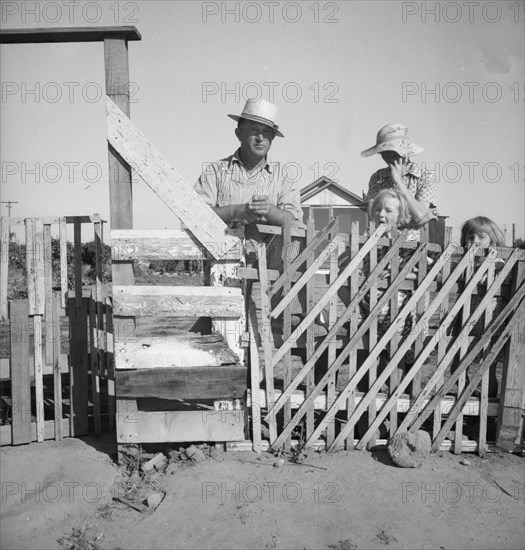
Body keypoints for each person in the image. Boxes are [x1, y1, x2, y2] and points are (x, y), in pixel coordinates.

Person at [194, 98, 303, 262]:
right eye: (254, 130)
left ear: (272, 138)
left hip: (270, 268)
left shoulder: (283, 175)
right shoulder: (216, 171)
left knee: (299, 229)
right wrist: (234, 212)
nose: (260, 137)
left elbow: (293, 219)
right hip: (224, 263)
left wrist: (269, 210)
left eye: (266, 132)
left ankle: (276, 284)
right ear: (239, 134)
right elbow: (196, 214)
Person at [362, 123, 437, 240]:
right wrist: (417, 220)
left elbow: (419, 215)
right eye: (384, 152)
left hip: (411, 248)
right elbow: (374, 218)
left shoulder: (425, 176)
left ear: (405, 152)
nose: (388, 156)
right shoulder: (377, 178)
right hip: (381, 244)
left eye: (393, 152)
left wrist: (398, 182)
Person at [458, 216, 506, 397]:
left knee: (488, 367)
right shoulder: (466, 262)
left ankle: (489, 404)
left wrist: (488, 264)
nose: (475, 242)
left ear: (492, 241)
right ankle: (468, 395)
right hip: (468, 321)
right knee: (459, 364)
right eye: (470, 237)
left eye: (481, 237)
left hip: (489, 321)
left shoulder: (498, 264)